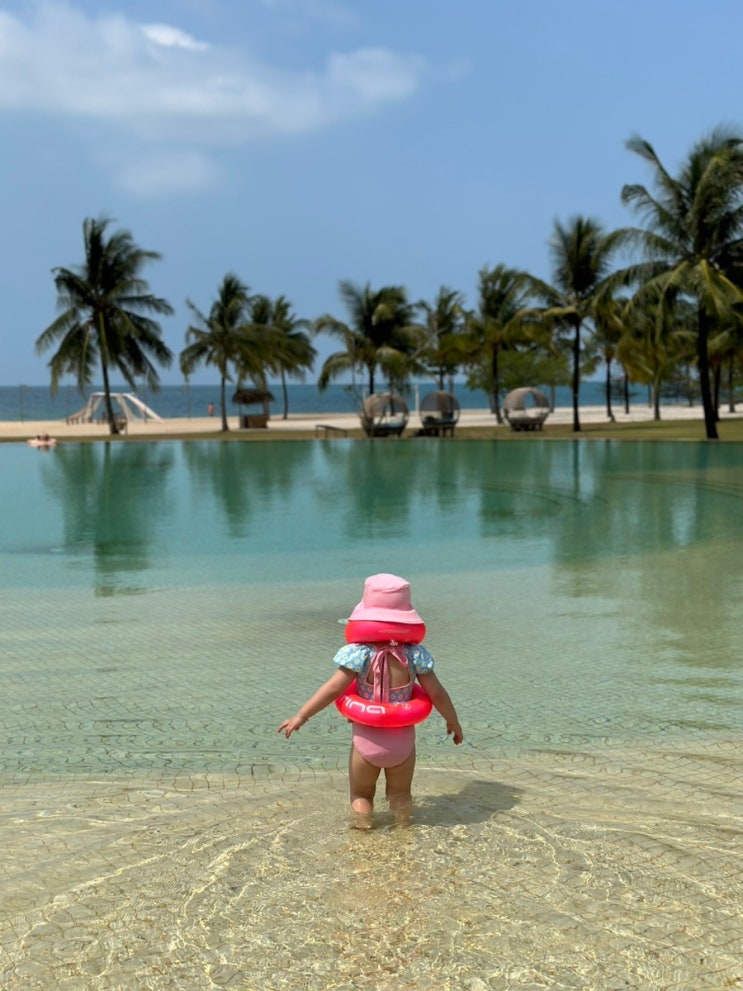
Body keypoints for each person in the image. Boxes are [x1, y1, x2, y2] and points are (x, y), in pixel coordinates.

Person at [278, 573, 463, 826]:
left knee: (361, 795)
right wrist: (453, 722)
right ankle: (404, 832)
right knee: (401, 795)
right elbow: (437, 694)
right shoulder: (415, 655)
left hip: (367, 742)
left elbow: (333, 689)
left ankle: (363, 834)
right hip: (402, 744)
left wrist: (302, 716)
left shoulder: (358, 654)